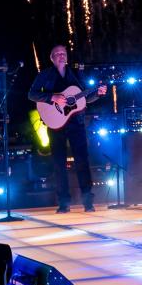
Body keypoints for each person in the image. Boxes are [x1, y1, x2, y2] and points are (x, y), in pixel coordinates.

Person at [29, 44, 106, 213]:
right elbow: (32, 94)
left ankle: (88, 201)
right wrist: (52, 98)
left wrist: (98, 93)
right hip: (55, 124)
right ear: (51, 58)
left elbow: (84, 99)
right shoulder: (45, 75)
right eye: (57, 53)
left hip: (76, 123)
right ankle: (63, 203)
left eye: (63, 53)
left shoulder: (77, 74)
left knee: (82, 162)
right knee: (58, 164)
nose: (61, 55)